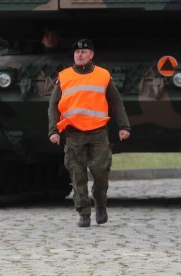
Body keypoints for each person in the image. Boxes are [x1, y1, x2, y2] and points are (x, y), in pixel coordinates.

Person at [48, 38, 130, 227]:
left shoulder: (102, 75)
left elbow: (116, 101)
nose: (80, 54)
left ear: (92, 55)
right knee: (77, 174)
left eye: (84, 52)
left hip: (98, 133)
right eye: (77, 52)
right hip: (74, 133)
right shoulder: (65, 77)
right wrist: (54, 130)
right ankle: (84, 213)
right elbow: (53, 105)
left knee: (100, 172)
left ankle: (100, 204)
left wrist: (124, 126)